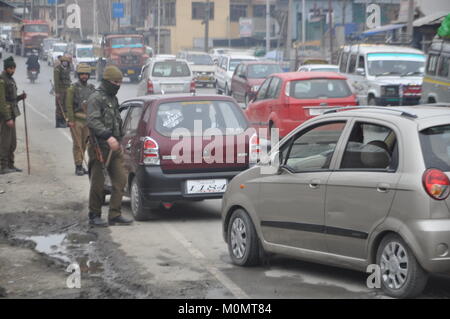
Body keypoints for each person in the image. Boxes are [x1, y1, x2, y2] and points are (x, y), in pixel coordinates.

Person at [86, 65, 133, 227]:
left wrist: (118, 141)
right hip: (99, 147)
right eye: (115, 82)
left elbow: (116, 122)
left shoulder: (113, 98)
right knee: (98, 183)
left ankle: (115, 214)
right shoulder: (96, 98)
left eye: (120, 82)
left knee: (120, 180)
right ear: (107, 81)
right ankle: (94, 214)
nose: (118, 85)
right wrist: (107, 136)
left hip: (115, 148)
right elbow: (92, 120)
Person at [66, 64, 95, 176]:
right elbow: (68, 105)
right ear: (78, 75)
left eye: (86, 74)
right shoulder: (72, 89)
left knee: (84, 144)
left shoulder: (91, 88)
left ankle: (82, 164)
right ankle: (78, 166)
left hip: (88, 121)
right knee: (77, 144)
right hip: (77, 120)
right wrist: (71, 120)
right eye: (82, 74)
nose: (84, 76)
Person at [0, 57, 26, 174]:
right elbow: (2, 101)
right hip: (6, 117)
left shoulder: (11, 79)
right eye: (11, 68)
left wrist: (21, 97)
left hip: (12, 115)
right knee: (5, 142)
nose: (13, 70)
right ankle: (3, 166)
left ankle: (11, 164)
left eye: (14, 68)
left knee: (12, 143)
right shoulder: (2, 81)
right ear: (6, 68)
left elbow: (12, 99)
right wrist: (7, 118)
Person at [53, 55, 72, 128]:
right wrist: (57, 92)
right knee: (59, 106)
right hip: (60, 90)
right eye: (64, 62)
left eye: (66, 62)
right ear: (61, 62)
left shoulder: (68, 69)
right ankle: (59, 122)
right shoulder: (57, 69)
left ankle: (65, 121)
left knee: (66, 106)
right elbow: (56, 81)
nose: (65, 63)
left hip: (67, 90)